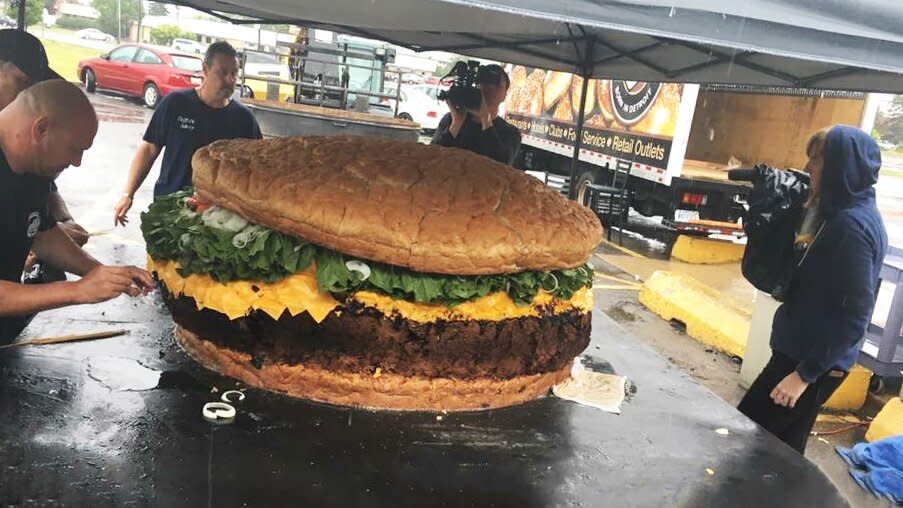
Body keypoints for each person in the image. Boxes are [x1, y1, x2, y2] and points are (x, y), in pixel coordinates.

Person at [738, 125, 888, 454]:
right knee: (784, 452)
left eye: (816, 161)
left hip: (809, 361)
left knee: (748, 441)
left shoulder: (851, 228)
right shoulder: (839, 215)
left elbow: (856, 315)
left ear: (840, 167)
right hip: (804, 354)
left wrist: (803, 376)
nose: (808, 169)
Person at [0, 80, 153, 344]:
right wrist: (78, 291)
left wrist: (100, 273)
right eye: (75, 149)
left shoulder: (32, 169)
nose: (77, 162)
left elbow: (42, 232)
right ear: (42, 129)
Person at [113, 40, 262, 226]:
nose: (230, 80)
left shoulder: (244, 119)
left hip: (220, 220)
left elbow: (257, 170)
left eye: (234, 74)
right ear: (205, 70)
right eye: (223, 73)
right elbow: (150, 148)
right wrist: (128, 194)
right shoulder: (175, 103)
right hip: (171, 211)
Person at [0, 29, 89, 279]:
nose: (28, 98)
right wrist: (79, 291)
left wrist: (99, 273)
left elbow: (39, 225)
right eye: (24, 83)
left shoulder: (27, 158)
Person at [431, 63, 521, 165]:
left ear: (505, 95)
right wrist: (456, 123)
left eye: (497, 83)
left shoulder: (509, 133)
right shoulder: (451, 119)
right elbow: (432, 158)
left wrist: (485, 120)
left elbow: (502, 164)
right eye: (484, 82)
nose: (489, 87)